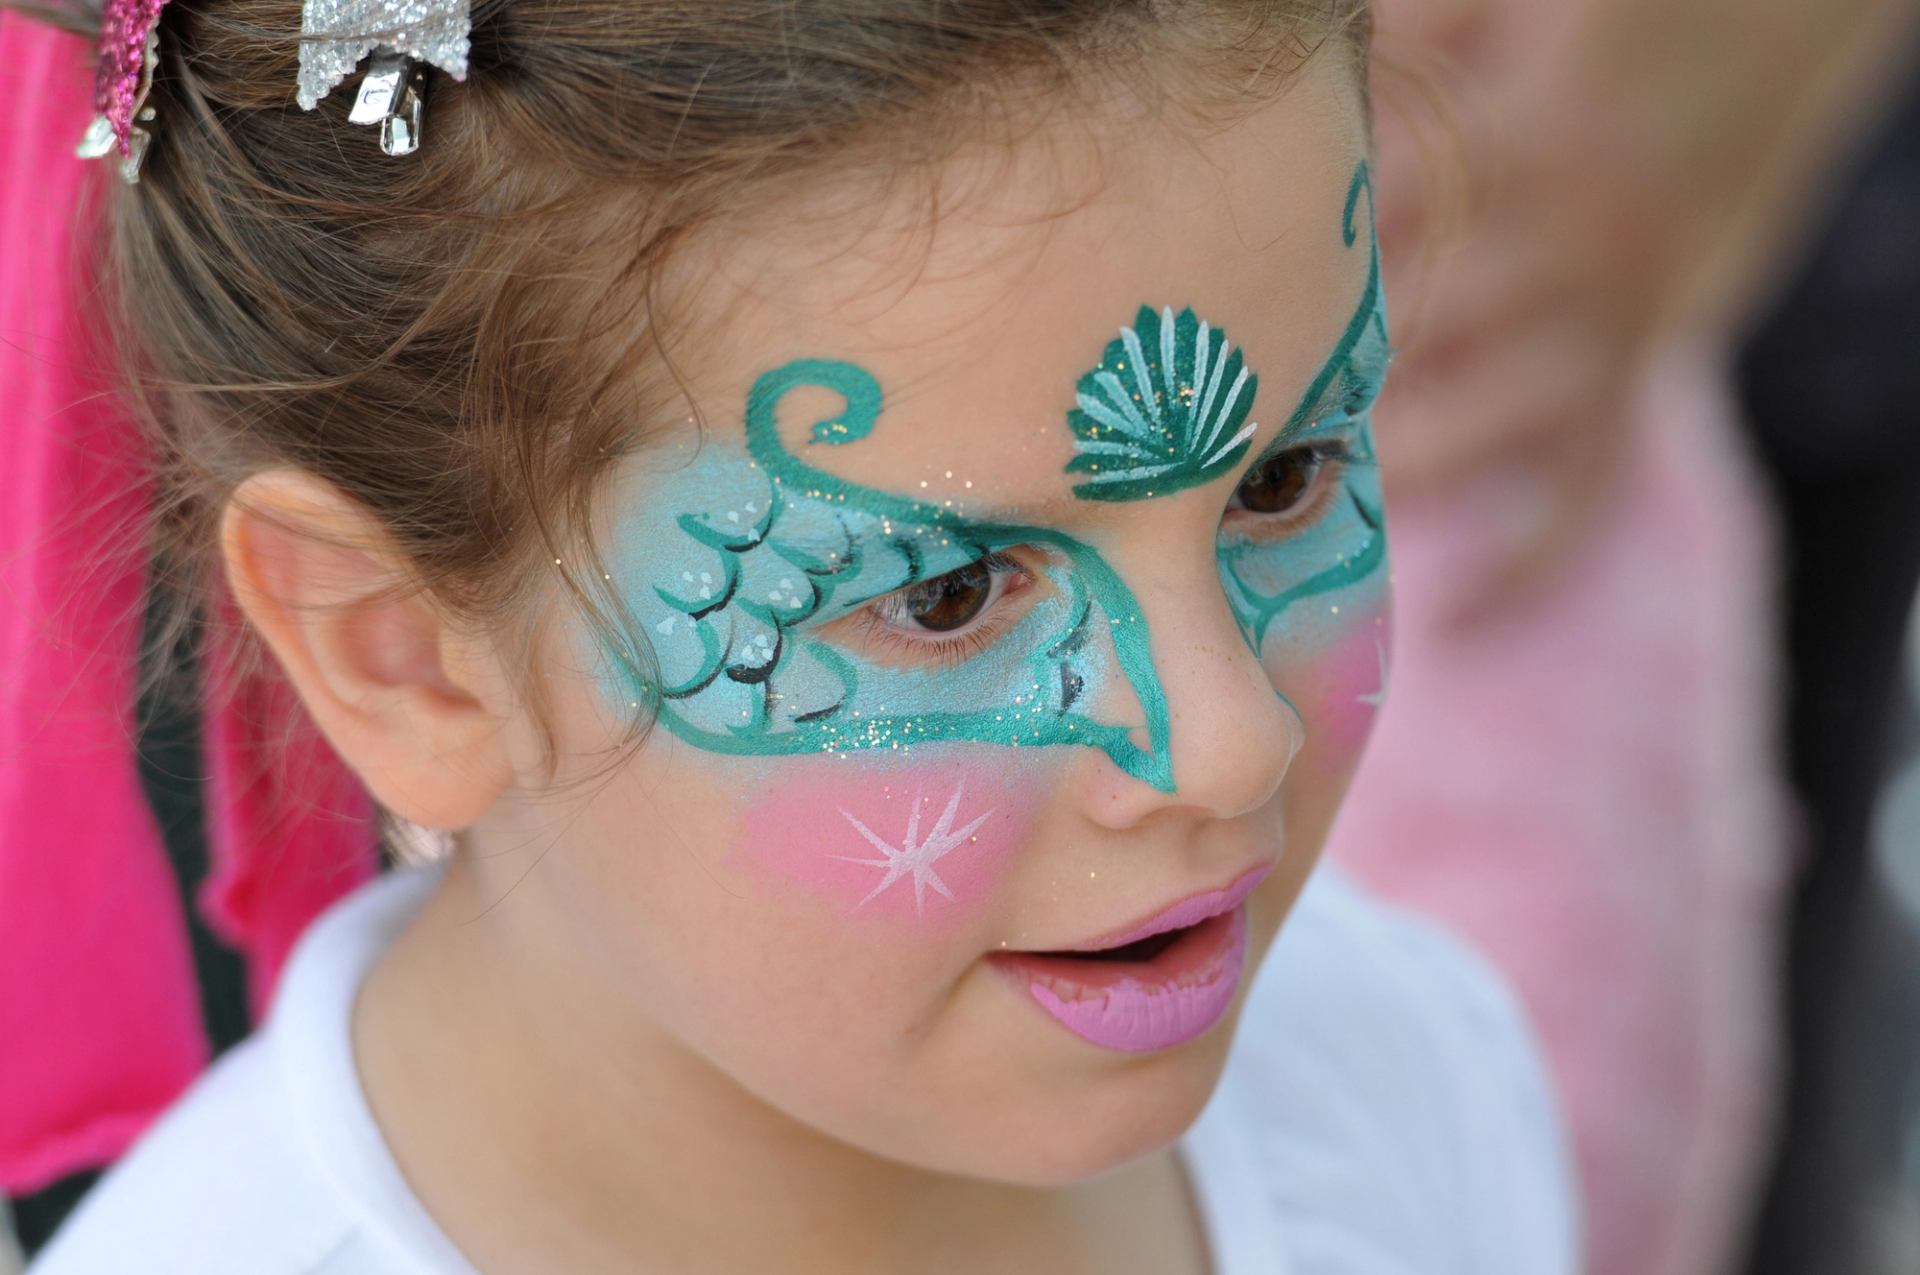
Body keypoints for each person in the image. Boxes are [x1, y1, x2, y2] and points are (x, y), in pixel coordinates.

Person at [13, 1, 1579, 1270]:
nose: (1234, 743)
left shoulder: (1407, 1085)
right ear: (405, 655)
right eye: (944, 596)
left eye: (1286, 478)